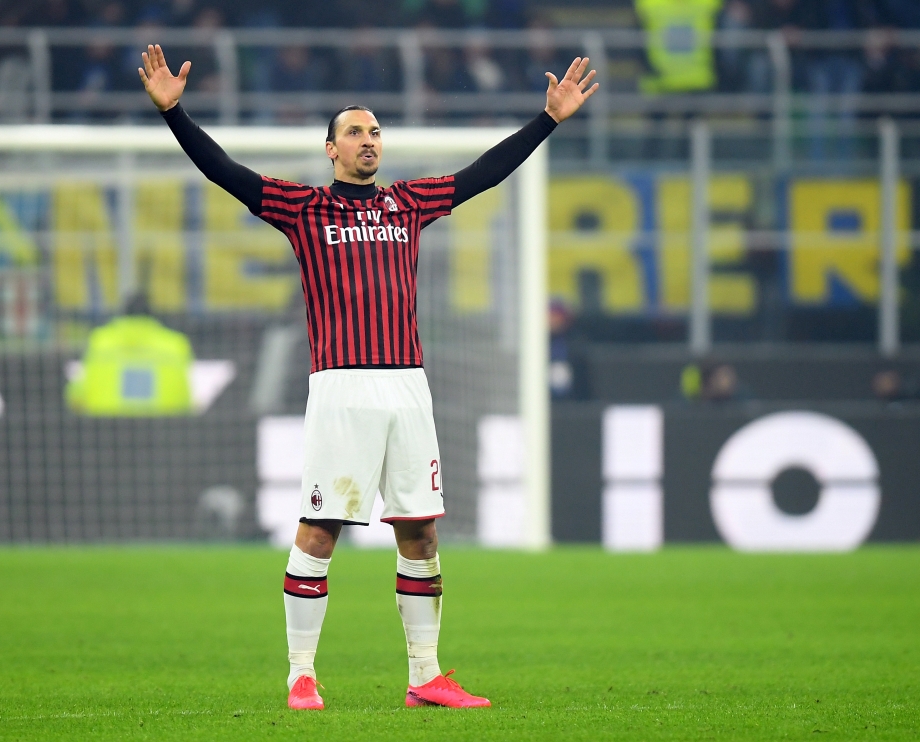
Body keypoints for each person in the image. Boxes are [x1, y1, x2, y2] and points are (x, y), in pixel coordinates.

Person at [139, 42, 598, 710]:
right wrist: (175, 116)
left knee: (420, 531)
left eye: (375, 130)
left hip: (409, 387)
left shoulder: (408, 204)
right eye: (354, 131)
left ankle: (425, 676)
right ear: (330, 150)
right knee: (320, 529)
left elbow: (484, 174)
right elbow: (227, 174)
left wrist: (547, 121)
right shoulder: (302, 209)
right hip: (341, 387)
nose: (367, 140)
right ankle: (301, 672)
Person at [65, 293, 193, 416]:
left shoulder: (100, 341)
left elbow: (76, 397)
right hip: (163, 429)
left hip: (106, 429)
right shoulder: (175, 345)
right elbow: (186, 401)